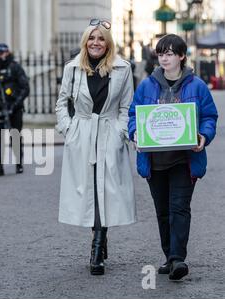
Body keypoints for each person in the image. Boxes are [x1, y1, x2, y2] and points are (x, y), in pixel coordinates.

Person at [128, 34, 218, 281]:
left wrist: (204, 135)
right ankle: (169, 256)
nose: (165, 58)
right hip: (154, 162)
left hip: (184, 159)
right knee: (162, 211)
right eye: (161, 53)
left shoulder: (197, 86)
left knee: (179, 208)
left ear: (181, 56)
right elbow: (133, 115)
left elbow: (210, 116)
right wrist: (135, 133)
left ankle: (178, 258)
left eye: (169, 53)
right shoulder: (147, 85)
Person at [55, 19, 136, 276]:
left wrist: (120, 133)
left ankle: (97, 247)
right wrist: (69, 130)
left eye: (101, 39)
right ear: (85, 41)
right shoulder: (72, 68)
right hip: (82, 135)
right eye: (92, 38)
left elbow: (127, 107)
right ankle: (99, 240)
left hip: (110, 134)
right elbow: (61, 103)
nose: (96, 43)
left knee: (105, 190)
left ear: (108, 43)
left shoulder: (123, 69)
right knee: (90, 190)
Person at [0, 43, 30, 176]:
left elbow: (25, 88)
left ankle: (19, 164)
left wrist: (15, 104)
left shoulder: (15, 68)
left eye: (1, 53)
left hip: (15, 109)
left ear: (7, 52)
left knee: (15, 136)